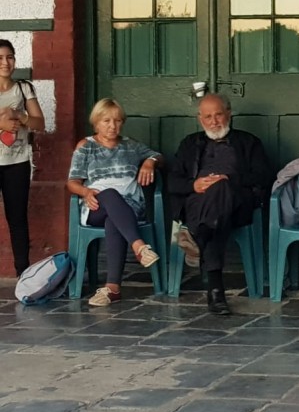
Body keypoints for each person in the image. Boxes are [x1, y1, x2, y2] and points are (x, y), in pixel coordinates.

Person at [169, 93, 272, 316]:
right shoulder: (190, 144)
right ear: (200, 119)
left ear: (229, 114)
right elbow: (172, 181)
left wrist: (230, 180)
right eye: (208, 117)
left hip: (237, 204)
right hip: (197, 203)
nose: (214, 121)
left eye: (218, 115)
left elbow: (264, 176)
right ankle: (215, 292)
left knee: (221, 189)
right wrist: (194, 185)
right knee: (213, 219)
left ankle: (199, 241)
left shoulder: (248, 142)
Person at [66, 99, 162, 306]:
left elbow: (158, 156)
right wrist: (85, 191)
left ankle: (113, 289)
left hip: (130, 207)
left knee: (114, 221)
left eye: (117, 121)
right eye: (106, 121)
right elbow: (72, 183)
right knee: (109, 194)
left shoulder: (131, 146)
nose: (112, 126)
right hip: (96, 205)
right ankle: (139, 246)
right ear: (96, 123)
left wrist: (149, 162)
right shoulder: (86, 147)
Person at [0, 39, 45, 277]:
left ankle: (23, 274)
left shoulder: (23, 88)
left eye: (9, 57)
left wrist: (21, 116)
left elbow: (40, 123)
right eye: (0, 58)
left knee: (17, 218)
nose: (5, 63)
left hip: (16, 162)